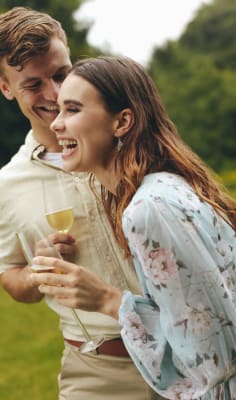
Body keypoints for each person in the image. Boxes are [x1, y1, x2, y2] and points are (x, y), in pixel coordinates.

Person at [33, 55, 236, 399]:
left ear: (122, 121)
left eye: (73, 109)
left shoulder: (148, 209)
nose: (56, 124)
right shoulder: (162, 188)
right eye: (59, 111)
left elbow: (212, 356)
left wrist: (108, 300)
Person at [0, 7, 160, 400]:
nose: (53, 94)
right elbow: (10, 272)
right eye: (32, 84)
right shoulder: (6, 187)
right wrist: (37, 273)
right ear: (5, 87)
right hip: (97, 374)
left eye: (61, 74)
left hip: (185, 351)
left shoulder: (133, 144)